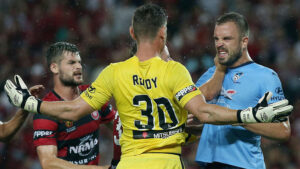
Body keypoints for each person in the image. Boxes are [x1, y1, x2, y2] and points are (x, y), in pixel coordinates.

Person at [4, 4, 292, 169]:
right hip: (167, 162)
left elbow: (71, 110)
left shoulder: (113, 73)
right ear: (163, 34)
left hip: (131, 164)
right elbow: (204, 113)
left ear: (131, 33)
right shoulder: (175, 71)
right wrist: (249, 115)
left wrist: (29, 104)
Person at [194, 12, 291, 169]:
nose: (219, 44)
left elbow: (283, 131)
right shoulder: (211, 74)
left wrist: (239, 119)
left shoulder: (265, 76)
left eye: (226, 39)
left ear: (244, 41)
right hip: (208, 164)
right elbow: (192, 111)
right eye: (216, 39)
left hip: (243, 165)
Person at [32, 42, 115, 169]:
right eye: (71, 63)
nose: (78, 67)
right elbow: (48, 163)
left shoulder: (92, 94)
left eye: (79, 62)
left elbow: (119, 128)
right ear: (54, 68)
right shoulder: (46, 109)